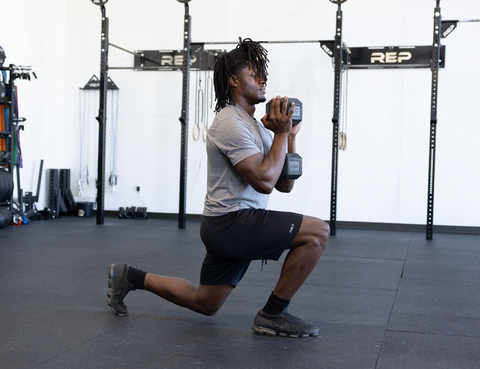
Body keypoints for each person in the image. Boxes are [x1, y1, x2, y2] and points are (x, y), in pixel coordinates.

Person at [107, 38, 330, 338]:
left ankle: (128, 276)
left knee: (206, 303)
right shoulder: (230, 123)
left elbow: (284, 184)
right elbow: (264, 182)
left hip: (227, 224)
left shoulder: (257, 127)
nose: (263, 80)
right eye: (255, 74)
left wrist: (288, 135)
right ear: (234, 80)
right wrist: (280, 134)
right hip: (232, 223)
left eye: (263, 74)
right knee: (318, 232)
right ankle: (273, 314)